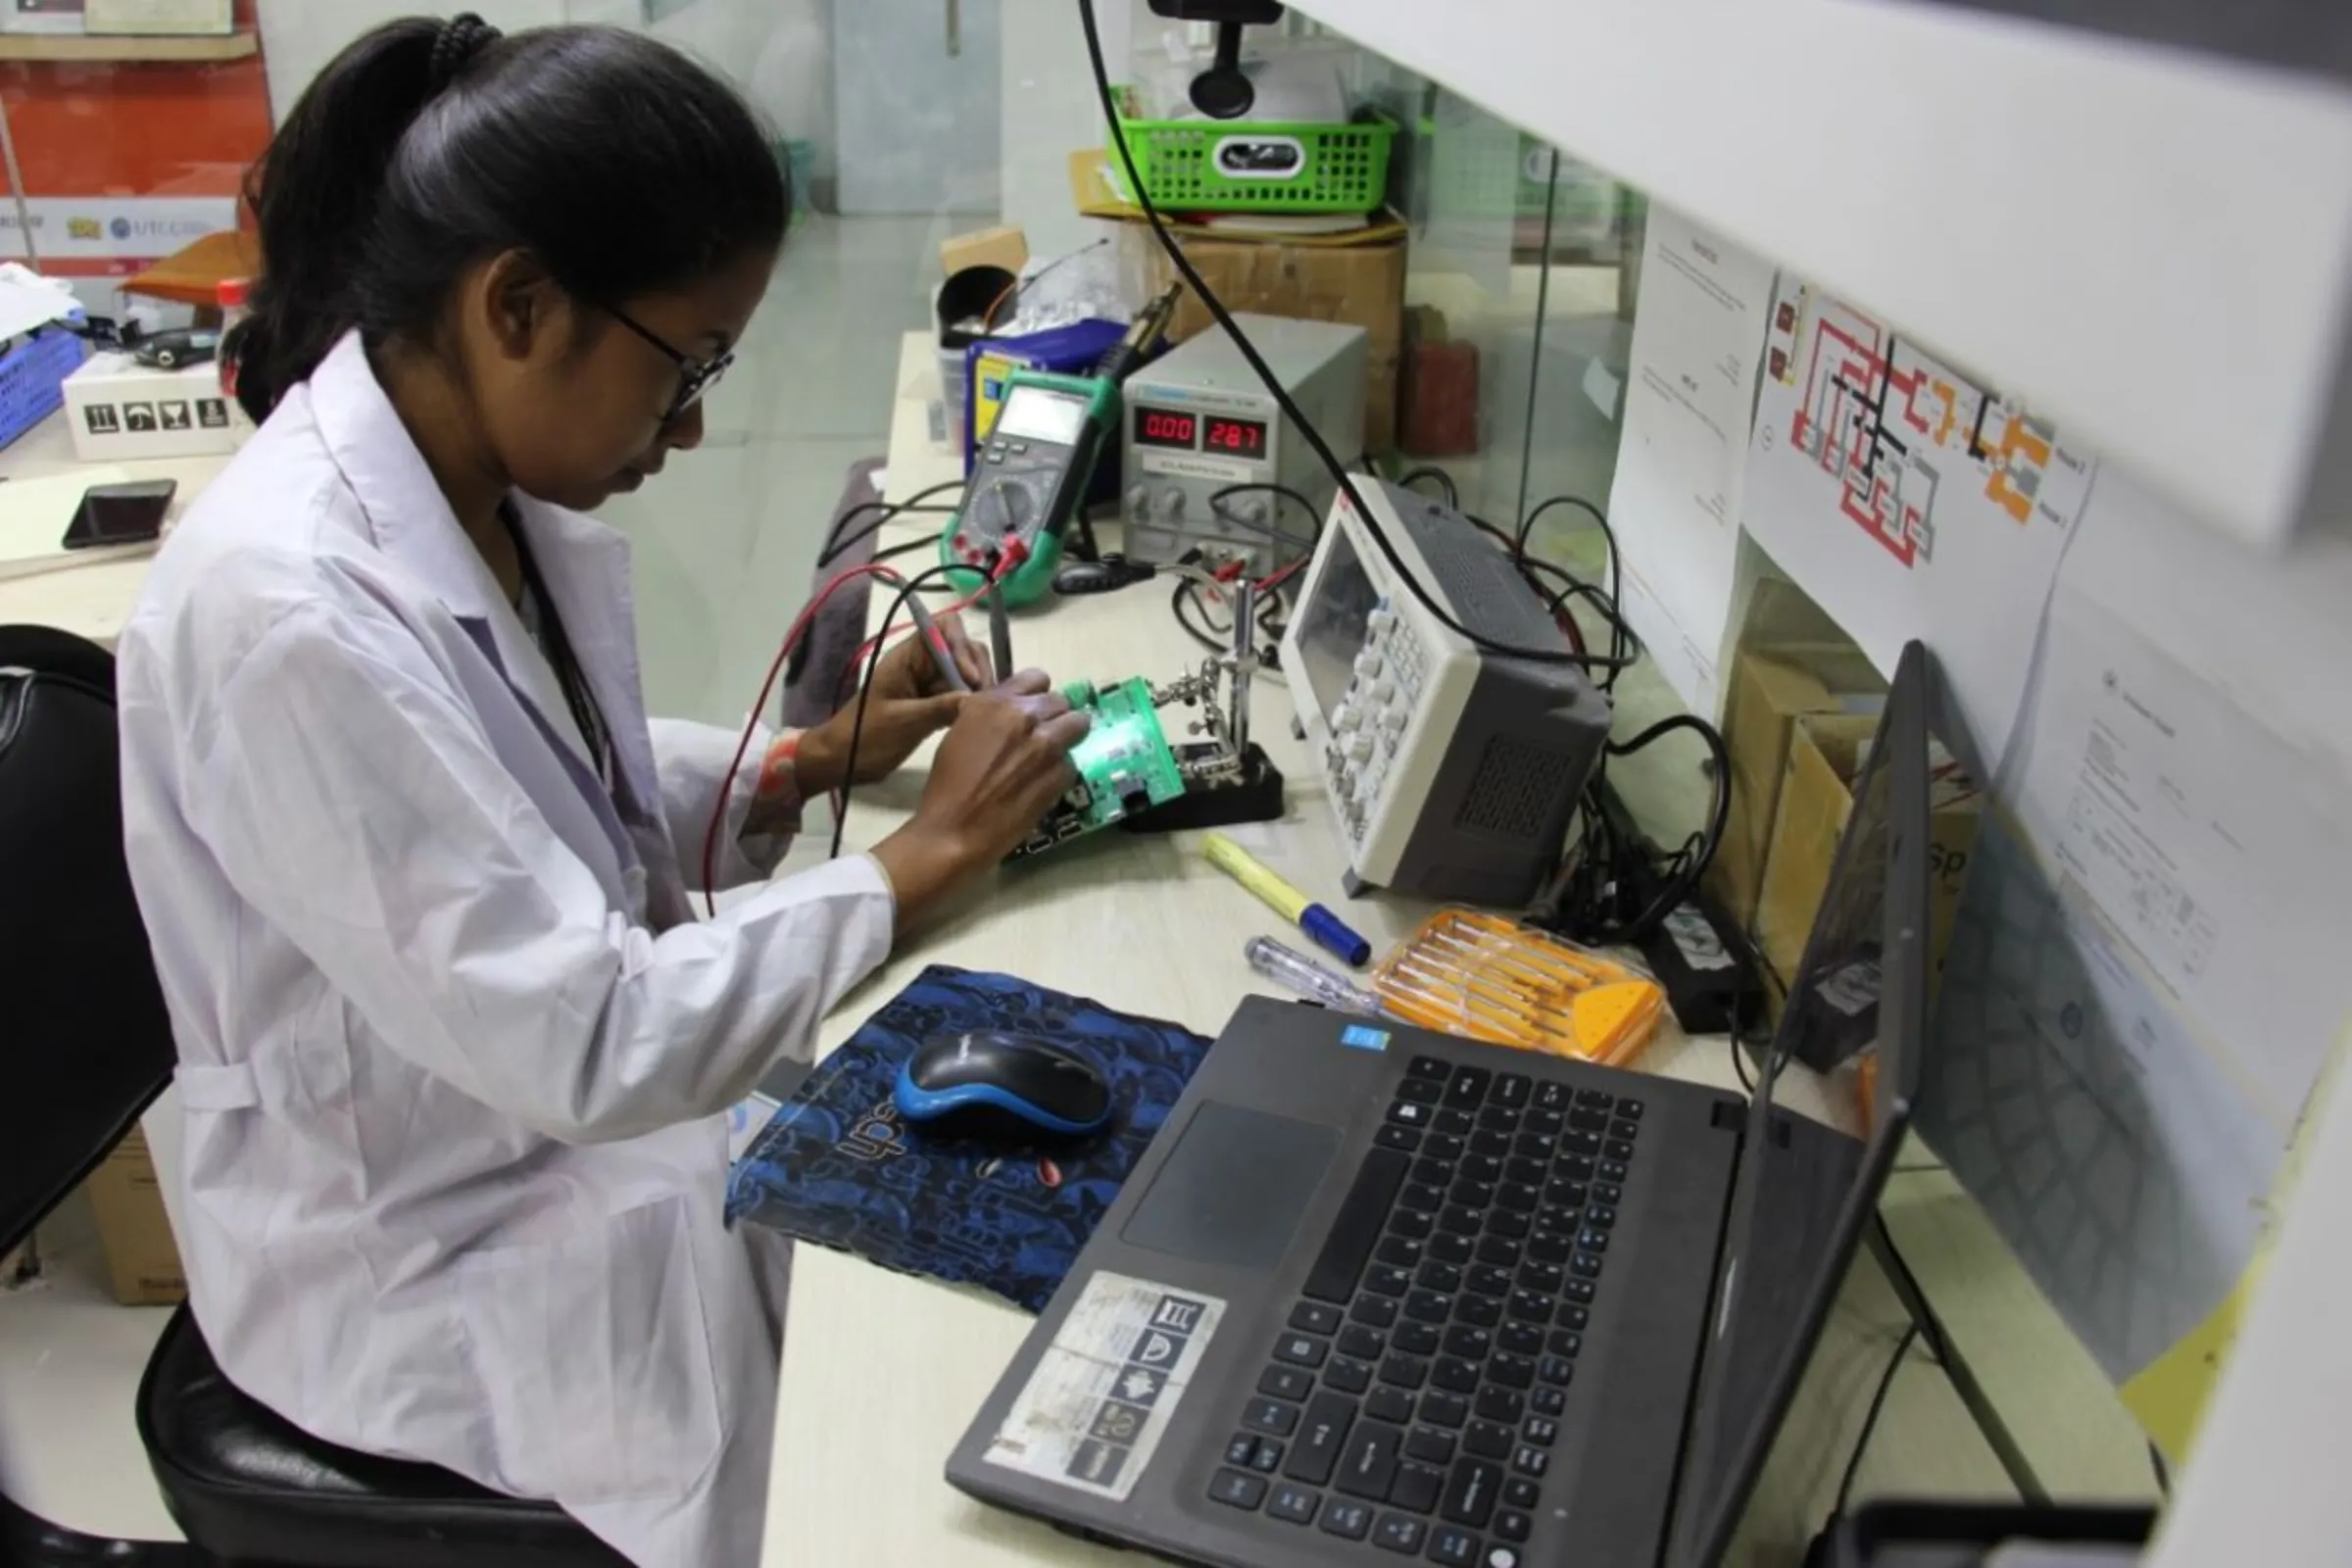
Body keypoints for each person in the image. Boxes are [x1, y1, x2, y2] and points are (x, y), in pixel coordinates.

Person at [113, 16, 1087, 1567]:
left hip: (516, 1126)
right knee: (886, 1427)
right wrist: (927, 858)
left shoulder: (463, 483)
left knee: (936, 1224)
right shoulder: (283, 614)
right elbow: (589, 1032)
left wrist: (807, 763)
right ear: (518, 305)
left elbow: (527, 779)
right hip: (421, 1245)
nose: (694, 423)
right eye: (686, 361)